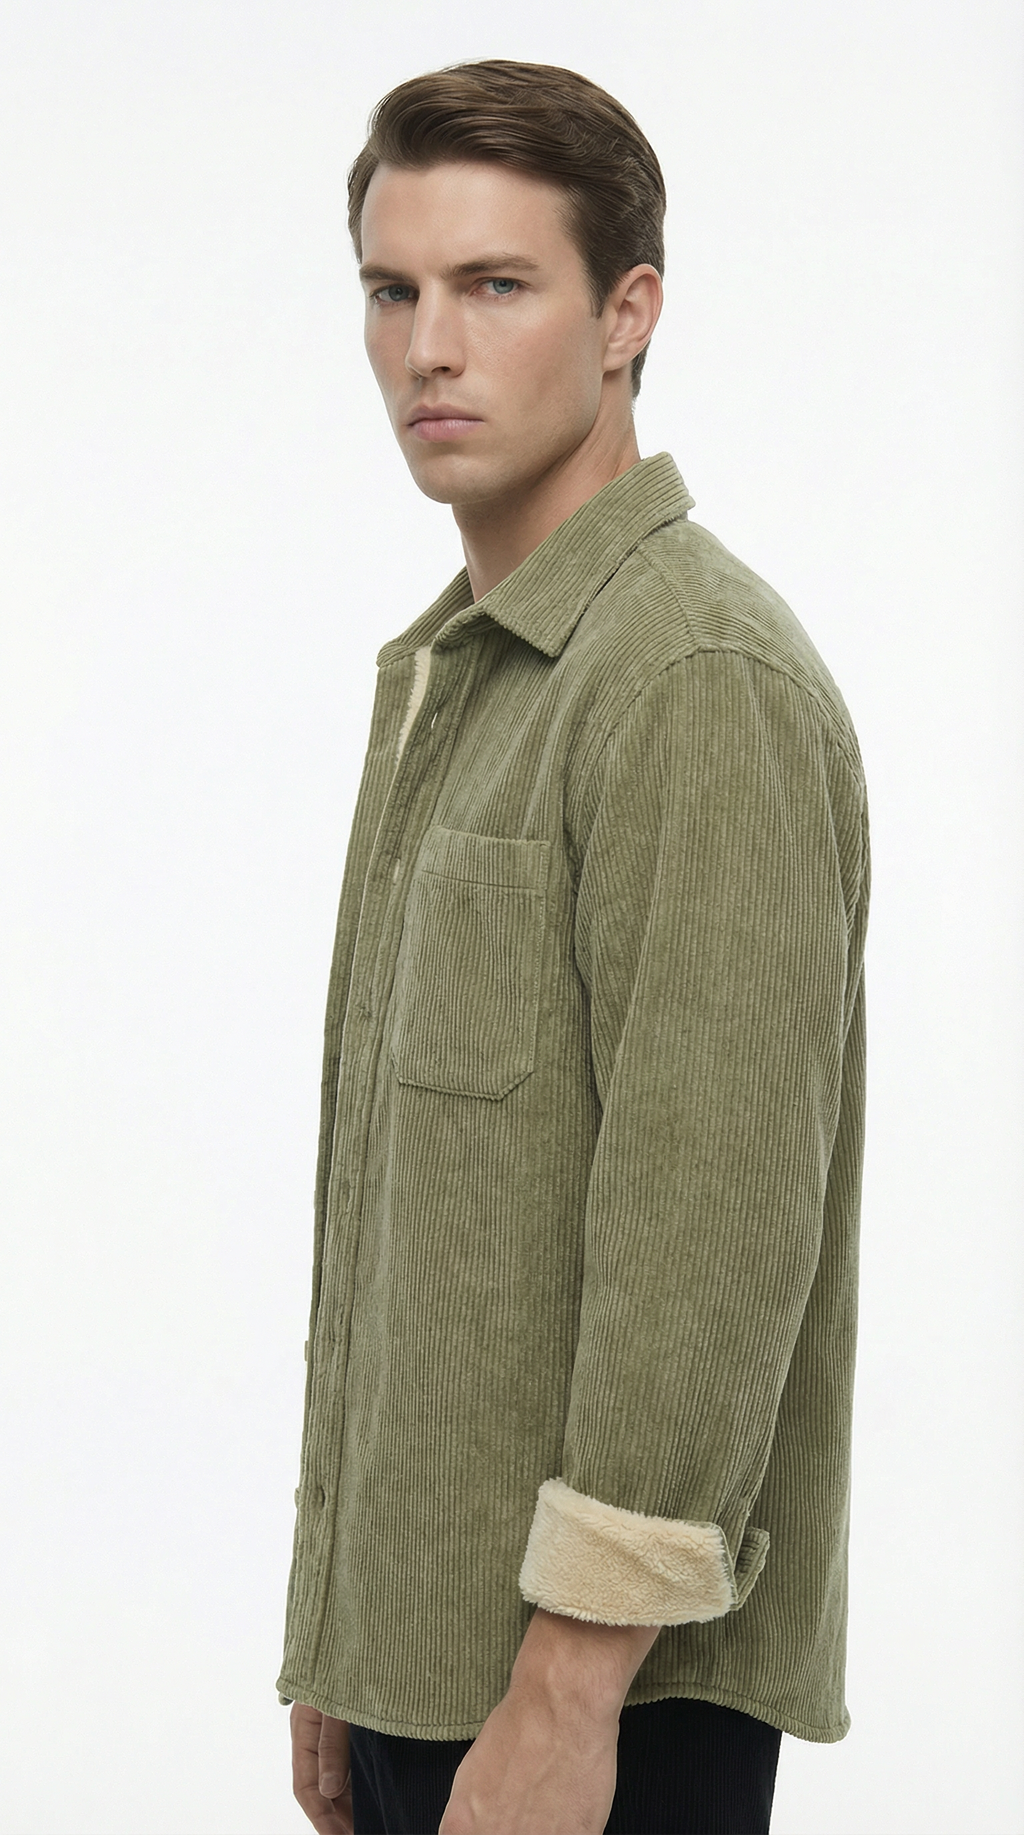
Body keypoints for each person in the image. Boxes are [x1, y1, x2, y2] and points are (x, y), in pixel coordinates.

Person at [279, 58, 869, 1835]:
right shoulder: (470, 679)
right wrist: (340, 1636)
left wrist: (563, 1689)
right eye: (393, 290)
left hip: (595, 1708)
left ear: (630, 317)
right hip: (428, 1664)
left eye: (495, 285)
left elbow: (707, 1237)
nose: (427, 349)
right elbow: (425, 1224)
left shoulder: (689, 680)